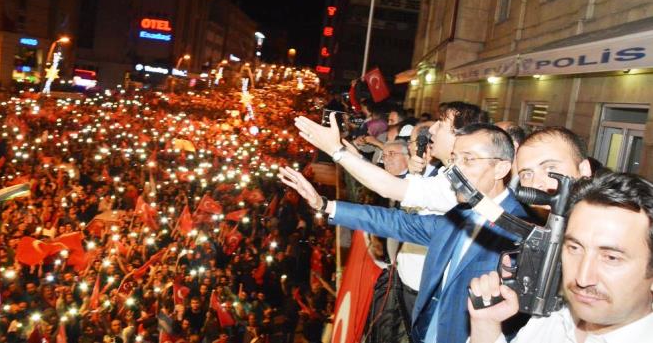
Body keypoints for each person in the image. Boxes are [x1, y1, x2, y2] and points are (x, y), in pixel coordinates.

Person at [280, 123, 530, 343]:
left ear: (501, 168)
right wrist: (325, 205)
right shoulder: (461, 214)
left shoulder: (520, 232)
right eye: (455, 160)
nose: (457, 171)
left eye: (469, 159)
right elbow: (396, 222)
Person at [468, 170, 653, 343]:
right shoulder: (553, 320)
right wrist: (486, 325)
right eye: (574, 248)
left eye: (611, 258)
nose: (582, 278)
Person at [295, 101, 489, 213]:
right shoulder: (445, 176)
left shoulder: (458, 186)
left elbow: (389, 188)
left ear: (461, 134)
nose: (432, 129)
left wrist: (337, 151)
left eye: (441, 124)